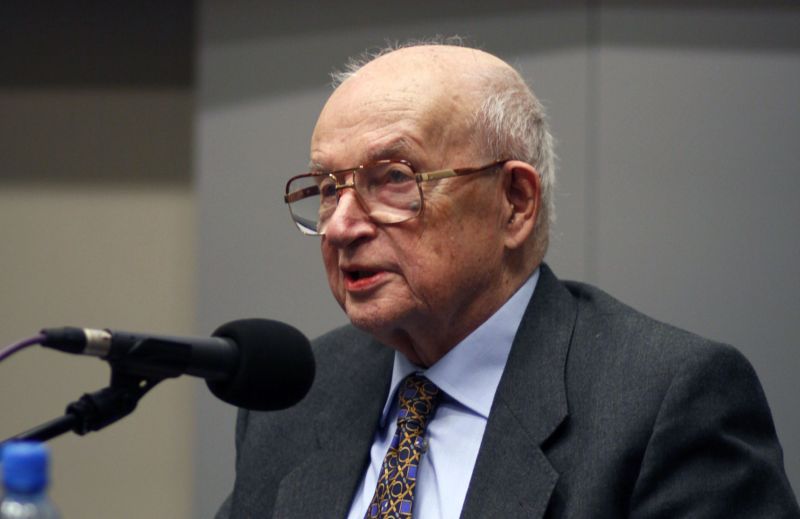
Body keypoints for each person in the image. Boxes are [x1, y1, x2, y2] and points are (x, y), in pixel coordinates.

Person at [215, 42, 799, 518]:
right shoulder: (295, 398)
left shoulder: (664, 403)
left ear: (515, 202)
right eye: (326, 189)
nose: (342, 225)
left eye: (393, 178)